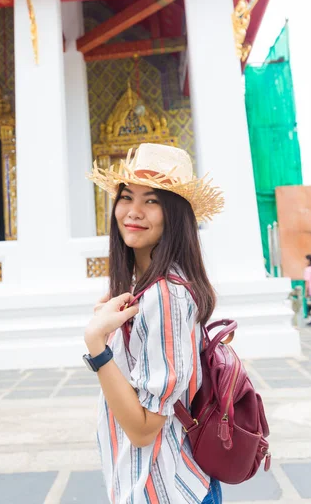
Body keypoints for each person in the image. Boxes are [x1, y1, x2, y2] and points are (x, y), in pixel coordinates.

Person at [83, 143, 224, 504]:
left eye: (151, 201)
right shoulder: (142, 290)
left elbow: (144, 429)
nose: (133, 211)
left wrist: (96, 344)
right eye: (127, 196)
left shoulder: (165, 295)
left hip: (167, 490)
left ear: (173, 214)